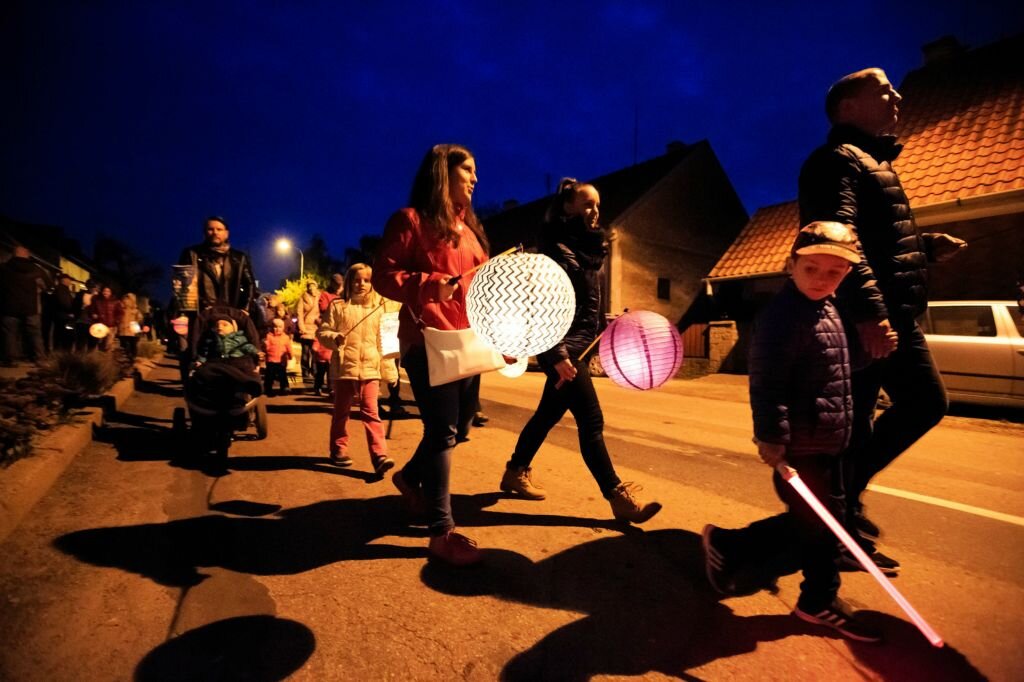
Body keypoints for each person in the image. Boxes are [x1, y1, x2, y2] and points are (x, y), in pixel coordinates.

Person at [799, 68, 966, 572]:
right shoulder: (836, 162)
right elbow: (839, 241)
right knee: (923, 402)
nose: (896, 96)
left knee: (860, 428)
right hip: (872, 316)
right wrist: (871, 314)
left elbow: (877, 238)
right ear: (848, 107)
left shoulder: (872, 161)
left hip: (889, 311)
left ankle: (841, 510)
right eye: (883, 90)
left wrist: (922, 248)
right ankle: (823, 520)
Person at [702, 221, 882, 643]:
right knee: (820, 529)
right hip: (799, 445)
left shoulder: (829, 308)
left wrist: (872, 352)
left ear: (847, 275)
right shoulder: (781, 318)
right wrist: (771, 436)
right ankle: (814, 599)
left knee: (820, 527)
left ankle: (732, 547)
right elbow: (767, 384)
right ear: (791, 265)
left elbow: (837, 365)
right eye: (812, 269)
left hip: (829, 439)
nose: (822, 279)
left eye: (834, 272)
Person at [499, 179, 661, 524]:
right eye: (587, 204)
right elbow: (539, 305)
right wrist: (556, 354)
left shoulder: (586, 249)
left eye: (598, 205)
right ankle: (618, 497)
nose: (595, 211)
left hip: (580, 346)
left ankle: (515, 470)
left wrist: (606, 324)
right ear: (567, 207)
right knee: (591, 422)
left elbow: (584, 303)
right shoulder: (554, 249)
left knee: (547, 415)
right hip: (563, 349)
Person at [372, 143, 499, 566]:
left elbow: (487, 290)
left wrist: (508, 334)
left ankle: (409, 479)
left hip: (469, 342)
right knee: (443, 430)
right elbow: (383, 276)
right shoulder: (410, 220)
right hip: (428, 341)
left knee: (459, 427)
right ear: (443, 174)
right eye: (468, 171)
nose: (475, 179)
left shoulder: (473, 233)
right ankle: (441, 531)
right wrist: (429, 283)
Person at [317, 263, 396, 475]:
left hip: (371, 368)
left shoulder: (380, 307)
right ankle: (338, 449)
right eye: (357, 279)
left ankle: (379, 455)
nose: (361, 284)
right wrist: (334, 337)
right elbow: (322, 333)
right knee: (341, 412)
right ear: (349, 281)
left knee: (371, 412)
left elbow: (385, 343)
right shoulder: (338, 306)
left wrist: (390, 371)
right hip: (345, 368)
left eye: (367, 280)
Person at [174, 216, 257, 381]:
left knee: (234, 351)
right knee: (193, 352)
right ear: (205, 232)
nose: (215, 232)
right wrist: (185, 312)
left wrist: (244, 309)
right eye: (210, 229)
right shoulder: (191, 254)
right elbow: (183, 286)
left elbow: (249, 285)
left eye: (219, 229)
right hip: (200, 314)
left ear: (226, 233)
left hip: (231, 315)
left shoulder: (239, 258)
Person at [0, 246, 51, 366]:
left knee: (10, 334)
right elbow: (47, 286)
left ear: (13, 254)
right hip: (31, 307)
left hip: (9, 306)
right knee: (35, 334)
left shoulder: (3, 268)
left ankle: (11, 359)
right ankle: (39, 359)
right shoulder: (36, 269)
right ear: (27, 255)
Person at [195, 313, 260, 365]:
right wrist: (200, 361)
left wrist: (257, 353)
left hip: (236, 364)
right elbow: (204, 353)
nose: (219, 327)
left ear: (234, 328)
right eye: (217, 325)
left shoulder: (239, 338)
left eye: (225, 325)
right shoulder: (210, 340)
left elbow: (247, 347)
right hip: (216, 364)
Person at [296, 280, 321, 382]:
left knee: (315, 351)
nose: (311, 288)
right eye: (309, 287)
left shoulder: (320, 297)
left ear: (316, 287)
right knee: (305, 352)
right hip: (306, 328)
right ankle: (305, 372)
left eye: (313, 286)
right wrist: (302, 327)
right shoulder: (303, 298)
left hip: (316, 328)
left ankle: (314, 371)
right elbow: (299, 314)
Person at [262, 317, 292, 396]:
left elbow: (289, 347)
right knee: (269, 375)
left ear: (283, 328)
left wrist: (290, 355)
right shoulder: (269, 336)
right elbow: (266, 348)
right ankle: (268, 388)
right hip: (271, 360)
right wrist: (265, 345)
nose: (277, 329)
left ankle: (284, 387)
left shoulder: (285, 337)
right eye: (275, 327)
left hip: (281, 360)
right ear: (271, 327)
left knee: (283, 375)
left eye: (280, 327)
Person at [88, 285, 122, 352]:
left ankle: (107, 359)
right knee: (100, 343)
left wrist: (116, 320)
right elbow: (91, 309)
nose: (106, 292)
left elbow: (120, 313)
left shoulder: (116, 301)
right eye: (104, 291)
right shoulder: (97, 300)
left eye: (108, 291)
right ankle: (100, 359)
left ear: (111, 292)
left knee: (109, 344)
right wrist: (93, 314)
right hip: (100, 325)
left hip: (111, 326)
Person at [50, 273, 77, 352]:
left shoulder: (63, 289)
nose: (70, 281)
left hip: (61, 316)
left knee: (60, 335)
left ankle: (60, 352)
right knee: (65, 335)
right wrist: (72, 311)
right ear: (63, 280)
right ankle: (63, 353)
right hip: (64, 317)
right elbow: (65, 303)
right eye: (69, 279)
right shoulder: (62, 289)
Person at [73, 280, 99, 352]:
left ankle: (89, 359)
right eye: (90, 287)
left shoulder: (97, 297)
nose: (92, 289)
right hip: (82, 321)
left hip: (93, 323)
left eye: (93, 287)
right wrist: (81, 307)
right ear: (87, 286)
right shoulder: (80, 294)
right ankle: (79, 358)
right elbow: (75, 305)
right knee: (80, 342)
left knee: (92, 343)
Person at [116, 292, 143, 362]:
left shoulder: (135, 310)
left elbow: (139, 318)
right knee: (123, 343)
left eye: (128, 299)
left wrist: (137, 322)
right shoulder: (121, 309)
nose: (126, 301)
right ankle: (126, 357)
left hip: (132, 330)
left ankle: (132, 357)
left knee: (132, 344)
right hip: (123, 328)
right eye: (125, 299)